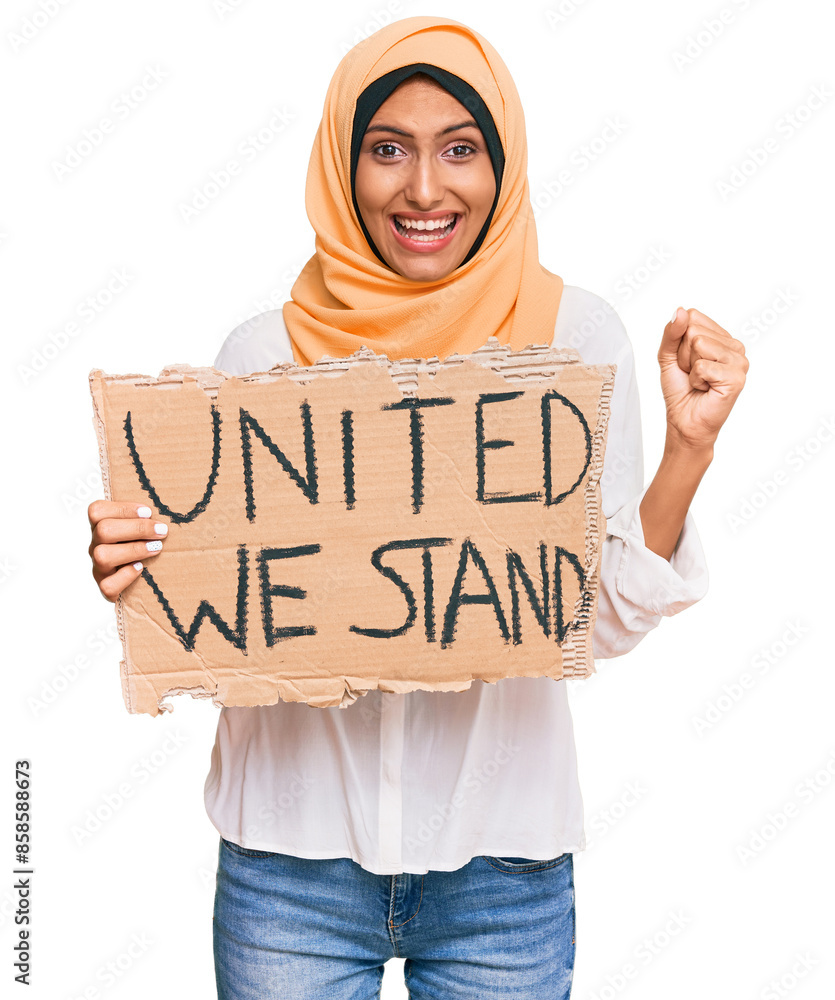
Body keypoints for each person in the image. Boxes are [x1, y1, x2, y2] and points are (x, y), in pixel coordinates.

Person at [86, 16, 748, 999]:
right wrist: (148, 575)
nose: (425, 189)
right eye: (387, 148)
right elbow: (238, 624)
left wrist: (688, 450)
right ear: (341, 165)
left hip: (504, 868)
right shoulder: (261, 361)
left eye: (461, 149)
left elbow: (596, 618)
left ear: (504, 162)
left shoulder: (574, 341)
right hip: (288, 862)